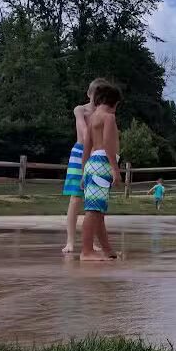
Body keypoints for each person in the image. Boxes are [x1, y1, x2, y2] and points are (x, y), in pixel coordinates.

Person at [62, 78, 106, 253]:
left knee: (93, 201)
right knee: (75, 198)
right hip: (80, 152)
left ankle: (91, 241)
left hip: (96, 154)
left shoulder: (104, 114)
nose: (98, 99)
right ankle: (70, 241)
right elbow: (84, 130)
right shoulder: (80, 110)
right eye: (96, 94)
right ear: (89, 93)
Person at [80, 82, 122, 261]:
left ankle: (107, 250)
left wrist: (83, 172)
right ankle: (86, 251)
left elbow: (86, 147)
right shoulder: (108, 117)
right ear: (114, 103)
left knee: (98, 212)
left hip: (91, 164)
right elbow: (108, 145)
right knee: (94, 212)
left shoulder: (92, 118)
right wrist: (115, 169)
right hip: (103, 164)